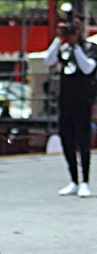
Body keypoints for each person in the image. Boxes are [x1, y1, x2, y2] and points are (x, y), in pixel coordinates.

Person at [44, 16, 97, 198]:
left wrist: (76, 46)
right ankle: (73, 180)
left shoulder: (89, 48)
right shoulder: (63, 48)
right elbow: (49, 60)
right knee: (67, 141)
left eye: (75, 28)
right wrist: (58, 39)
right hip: (65, 102)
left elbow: (88, 68)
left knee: (83, 142)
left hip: (82, 102)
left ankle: (85, 181)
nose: (72, 31)